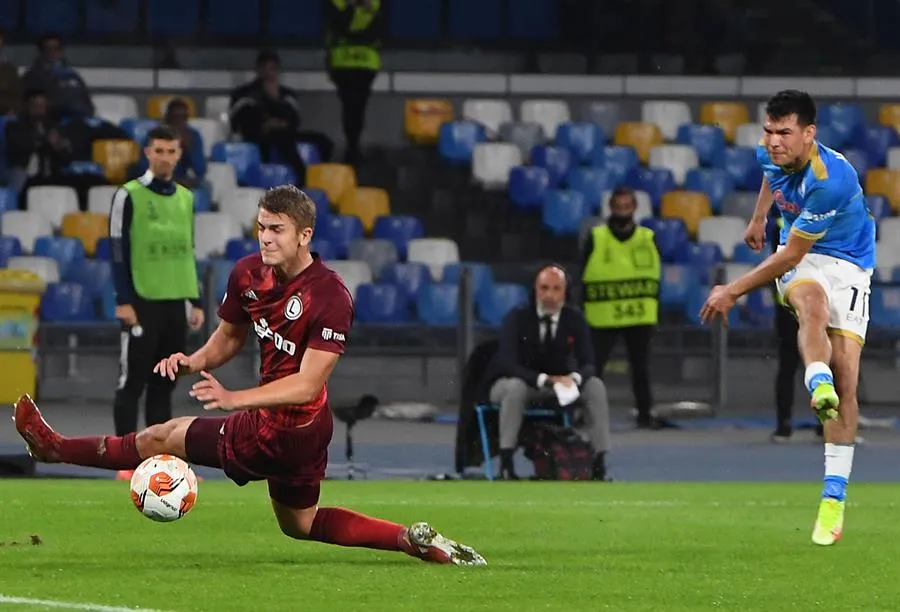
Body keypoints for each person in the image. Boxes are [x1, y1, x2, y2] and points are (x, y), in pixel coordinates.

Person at [13, 185, 486, 567]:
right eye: (261, 227)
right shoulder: (248, 275)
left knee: (165, 435)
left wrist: (233, 398)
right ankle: (410, 539)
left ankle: (55, 448)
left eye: (277, 230)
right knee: (300, 524)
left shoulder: (330, 296)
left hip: (283, 428)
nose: (265, 238)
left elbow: (307, 384)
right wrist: (194, 361)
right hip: (297, 428)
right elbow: (230, 337)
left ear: (305, 235)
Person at [700, 89, 876, 546]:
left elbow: (791, 253)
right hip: (803, 260)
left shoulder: (830, 178)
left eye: (785, 132)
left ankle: (834, 494)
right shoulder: (769, 152)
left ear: (809, 133)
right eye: (769, 130)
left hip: (850, 262)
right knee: (810, 306)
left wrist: (731, 290)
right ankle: (817, 381)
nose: (773, 141)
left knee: (849, 380)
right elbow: (771, 183)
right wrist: (760, 218)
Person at [109, 125, 205, 480]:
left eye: (172, 151)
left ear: (179, 154)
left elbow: (188, 250)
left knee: (164, 382)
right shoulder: (129, 195)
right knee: (131, 381)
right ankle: (121, 458)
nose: (165, 157)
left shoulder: (186, 197)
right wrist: (123, 300)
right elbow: (117, 249)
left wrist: (194, 299)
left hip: (174, 302)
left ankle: (156, 459)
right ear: (147, 152)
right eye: (159, 151)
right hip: (142, 300)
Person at [488, 265, 612, 481]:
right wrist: (544, 379)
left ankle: (599, 462)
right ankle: (506, 463)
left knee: (595, 386)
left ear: (565, 292)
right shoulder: (517, 317)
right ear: (535, 290)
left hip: (559, 387)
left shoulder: (575, 318)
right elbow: (507, 363)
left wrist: (572, 379)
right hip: (519, 384)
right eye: (544, 288)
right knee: (515, 388)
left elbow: (589, 363)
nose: (549, 295)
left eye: (556, 289)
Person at [581, 187, 669, 429]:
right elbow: (582, 276)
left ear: (634, 208)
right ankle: (585, 413)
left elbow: (656, 278)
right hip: (602, 317)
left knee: (641, 368)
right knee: (593, 369)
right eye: (618, 207)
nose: (622, 211)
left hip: (639, 315)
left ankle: (644, 413)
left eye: (626, 206)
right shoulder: (596, 237)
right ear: (611, 208)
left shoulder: (647, 238)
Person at [325, 0, 384, 164]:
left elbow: (378, 29)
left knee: (359, 106)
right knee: (349, 105)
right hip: (342, 62)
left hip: (366, 63)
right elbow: (339, 26)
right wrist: (356, 8)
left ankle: (354, 147)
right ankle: (352, 147)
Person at [767, 209, 804, 443]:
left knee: (825, 365)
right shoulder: (781, 225)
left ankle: (827, 426)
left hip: (820, 303)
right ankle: (783, 424)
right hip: (789, 307)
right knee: (788, 366)